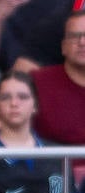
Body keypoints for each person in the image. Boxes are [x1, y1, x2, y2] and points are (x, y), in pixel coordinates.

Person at [30, 10, 85, 145]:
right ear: (63, 47)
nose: (82, 42)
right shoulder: (36, 82)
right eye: (74, 36)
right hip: (51, 165)